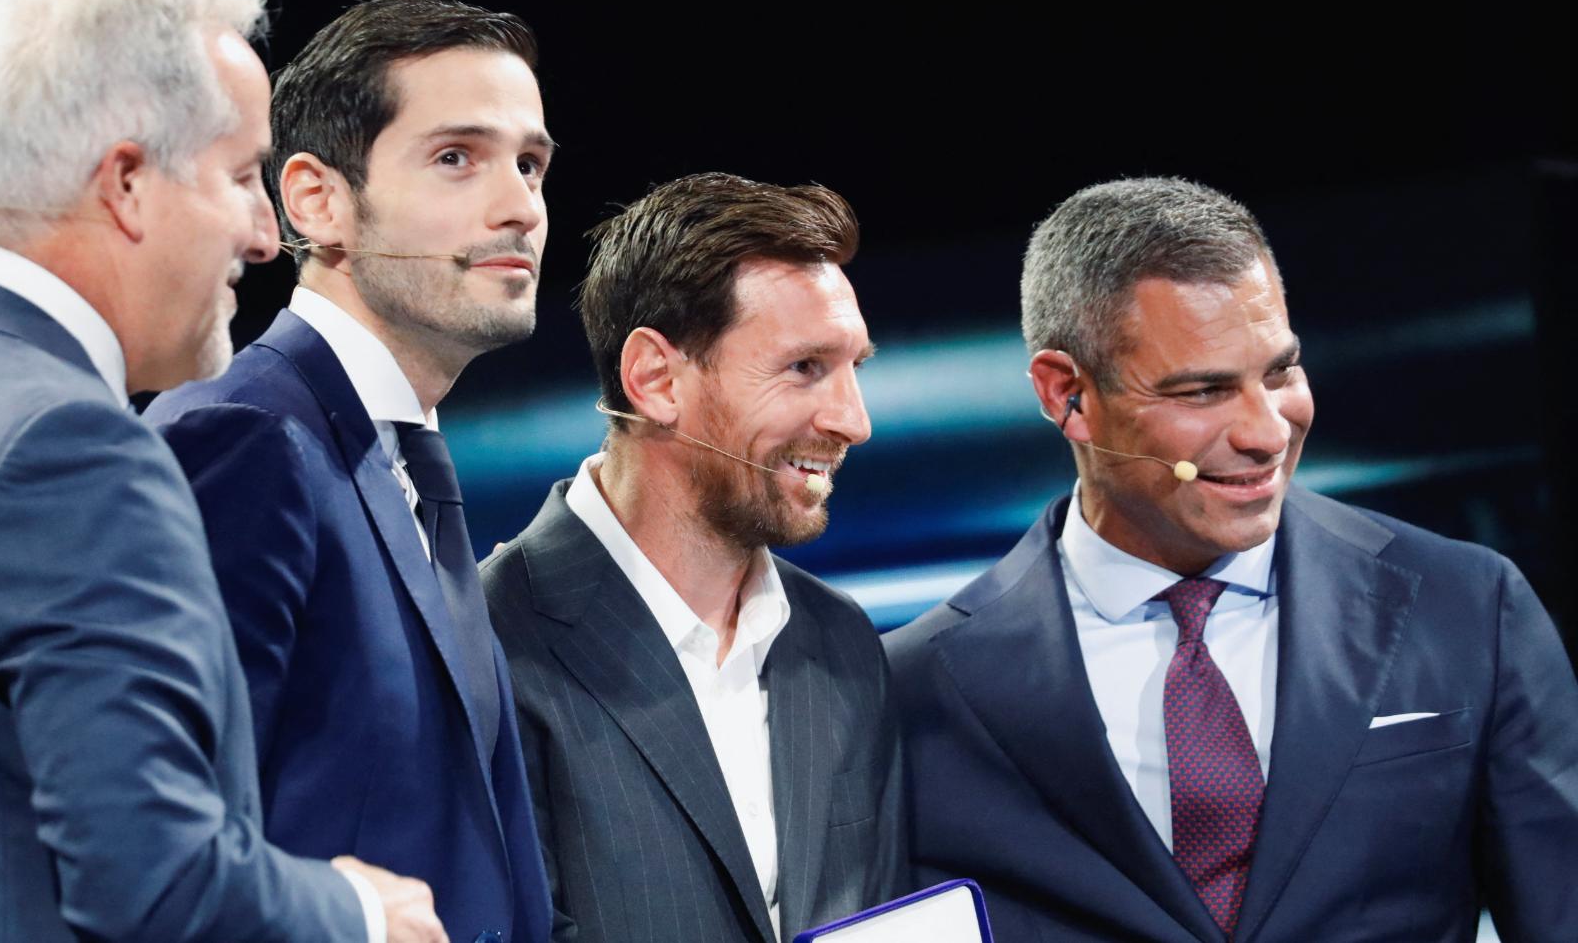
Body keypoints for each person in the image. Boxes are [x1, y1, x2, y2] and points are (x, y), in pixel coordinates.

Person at [0, 0, 443, 942]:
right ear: (127, 184)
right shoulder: (68, 450)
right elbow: (152, 890)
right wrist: (364, 914)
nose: (262, 235)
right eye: (241, 175)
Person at [884, 176, 1578, 942]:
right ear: (1068, 395)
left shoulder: (1467, 607)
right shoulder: (915, 688)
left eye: (1279, 372)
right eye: (1204, 391)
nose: (1267, 432)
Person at [144, 0, 554, 943]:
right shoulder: (238, 441)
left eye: (530, 164)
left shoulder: (402, 458)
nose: (519, 206)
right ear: (317, 200)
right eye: (458, 158)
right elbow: (166, 860)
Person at [482, 172, 904, 943]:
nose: (853, 419)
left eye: (855, 368)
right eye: (804, 367)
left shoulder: (843, 643)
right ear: (655, 379)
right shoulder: (482, 647)